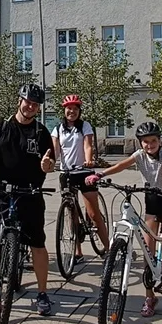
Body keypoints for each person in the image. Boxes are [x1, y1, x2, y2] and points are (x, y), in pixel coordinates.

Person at [88, 122, 162, 324]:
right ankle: (149, 296)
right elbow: (121, 165)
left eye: (153, 141)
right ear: (140, 143)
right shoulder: (139, 155)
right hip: (151, 202)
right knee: (148, 252)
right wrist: (100, 174)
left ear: (159, 141)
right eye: (145, 142)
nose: (149, 145)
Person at [0, 83, 56, 318]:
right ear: (19, 101)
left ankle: (42, 293)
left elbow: (50, 162)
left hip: (30, 193)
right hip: (2, 192)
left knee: (38, 244)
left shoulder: (41, 133)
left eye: (35, 104)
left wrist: (47, 166)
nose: (30, 106)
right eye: (27, 101)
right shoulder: (1, 126)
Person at [52, 94, 109, 265]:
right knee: (71, 214)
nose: (72, 111)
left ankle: (109, 249)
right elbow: (55, 151)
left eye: (75, 109)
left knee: (93, 213)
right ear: (64, 110)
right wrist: (50, 161)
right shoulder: (57, 129)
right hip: (66, 174)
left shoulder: (85, 126)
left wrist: (89, 159)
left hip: (84, 172)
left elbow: (87, 145)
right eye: (69, 108)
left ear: (79, 111)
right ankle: (78, 252)